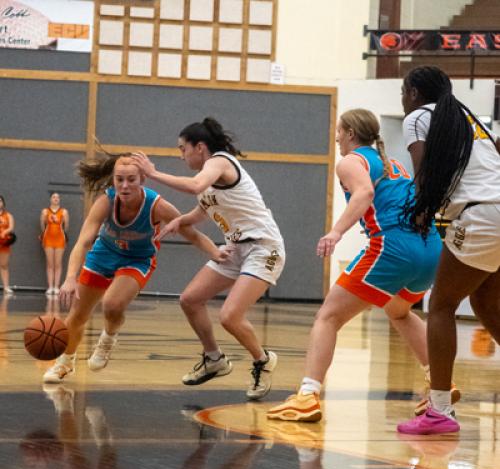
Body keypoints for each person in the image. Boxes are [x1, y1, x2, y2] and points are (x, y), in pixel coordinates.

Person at [266, 108, 443, 422]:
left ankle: (307, 396)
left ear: (349, 132)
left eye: (338, 131)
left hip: (394, 245)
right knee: (398, 310)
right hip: (430, 248)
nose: (336, 137)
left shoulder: (351, 161)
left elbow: (365, 192)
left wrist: (336, 232)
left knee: (328, 317)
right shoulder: (394, 164)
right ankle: (440, 380)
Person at [131, 117, 285, 400]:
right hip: (236, 249)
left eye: (182, 148)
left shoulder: (219, 162)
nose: (181, 155)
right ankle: (214, 358)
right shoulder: (209, 181)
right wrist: (180, 221)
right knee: (190, 299)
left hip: (264, 247)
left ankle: (263, 360)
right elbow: (203, 211)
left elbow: (193, 186)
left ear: (199, 147)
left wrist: (152, 173)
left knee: (230, 316)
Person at [43, 152, 229, 383]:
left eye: (131, 179)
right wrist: (70, 277)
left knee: (112, 304)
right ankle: (64, 363)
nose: (125, 185)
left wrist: (215, 252)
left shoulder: (157, 206)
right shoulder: (105, 202)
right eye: (119, 179)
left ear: (143, 179)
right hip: (103, 255)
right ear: (113, 180)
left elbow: (191, 233)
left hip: (137, 260)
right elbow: (83, 242)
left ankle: (108, 338)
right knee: (76, 316)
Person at [397, 66, 500, 435]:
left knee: (440, 304)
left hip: (479, 214)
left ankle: (440, 410)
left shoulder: (417, 118)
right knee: (487, 302)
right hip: (495, 210)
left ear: (412, 93)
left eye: (402, 92)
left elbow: (423, 172)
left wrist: (421, 212)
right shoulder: (466, 117)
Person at [40, 192, 69, 295]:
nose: (56, 199)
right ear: (50, 199)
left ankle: (56, 287)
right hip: (48, 238)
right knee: (49, 263)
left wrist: (63, 234)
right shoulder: (45, 211)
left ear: (59, 199)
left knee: (58, 263)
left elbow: (66, 226)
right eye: (54, 197)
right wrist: (44, 234)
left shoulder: (64, 211)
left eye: (58, 197)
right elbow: (42, 225)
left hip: (60, 238)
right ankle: (50, 287)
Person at [0, 195, 15, 295]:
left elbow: (11, 227)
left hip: (4, 243)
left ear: (3, 203)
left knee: (4, 265)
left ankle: (6, 287)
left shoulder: (8, 215)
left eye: (0, 200)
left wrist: (5, 232)